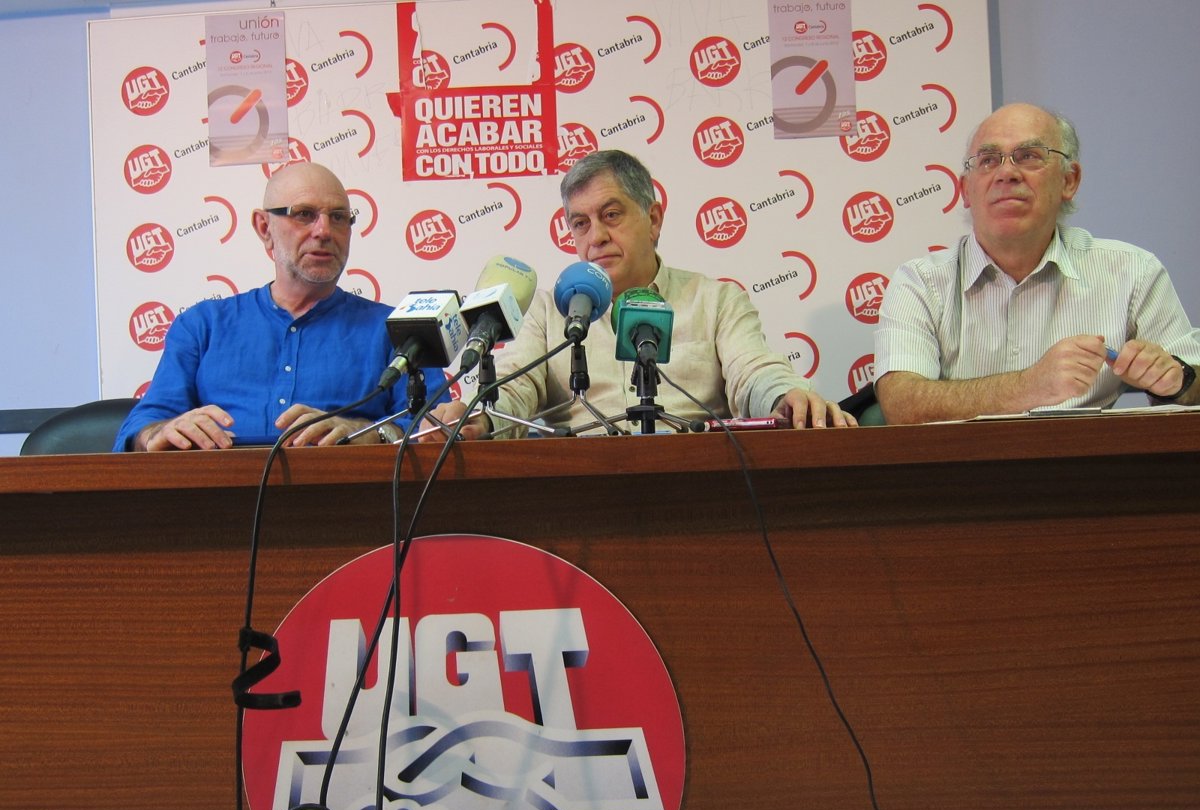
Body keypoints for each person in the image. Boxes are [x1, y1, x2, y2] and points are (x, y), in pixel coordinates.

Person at [430, 148, 854, 439]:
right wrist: (481, 417)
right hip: (576, 487)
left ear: (653, 220)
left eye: (611, 215)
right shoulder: (546, 311)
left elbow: (753, 372)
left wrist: (784, 397)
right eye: (580, 224)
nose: (596, 237)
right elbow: (514, 388)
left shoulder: (715, 300)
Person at [873, 102, 1200, 424]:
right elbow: (901, 405)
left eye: (1028, 156)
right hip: (962, 460)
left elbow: (1194, 385)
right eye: (988, 160)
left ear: (1069, 180)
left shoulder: (1132, 271)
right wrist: (1031, 386)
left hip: (1088, 457)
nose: (1006, 173)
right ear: (966, 190)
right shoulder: (920, 282)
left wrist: (1179, 381)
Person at [113, 162, 445, 451]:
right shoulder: (203, 326)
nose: (324, 231)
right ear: (264, 228)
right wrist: (159, 432)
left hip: (354, 497)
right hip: (219, 497)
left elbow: (438, 428)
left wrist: (371, 433)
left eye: (338, 217)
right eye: (304, 214)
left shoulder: (398, 329)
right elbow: (142, 428)